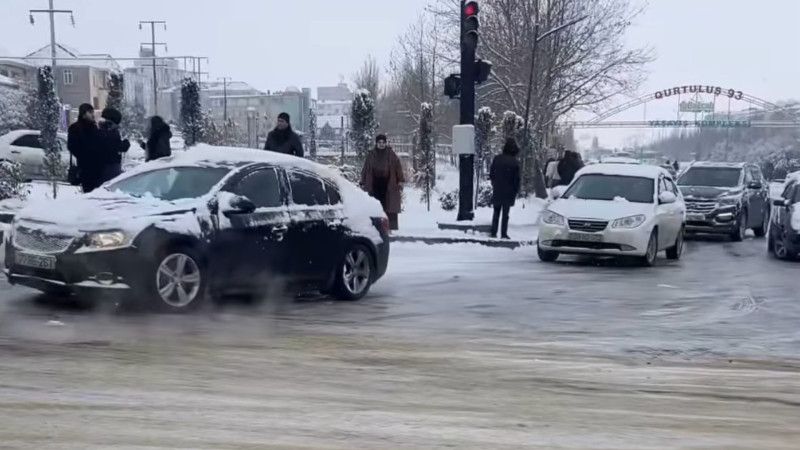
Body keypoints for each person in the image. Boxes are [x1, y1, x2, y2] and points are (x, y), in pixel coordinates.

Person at [361, 134, 405, 231]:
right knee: (375, 206)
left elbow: (398, 168)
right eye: (379, 142)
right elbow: (366, 168)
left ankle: (388, 228)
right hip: (374, 185)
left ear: (386, 143)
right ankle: (375, 227)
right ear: (376, 143)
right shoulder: (371, 155)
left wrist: (400, 180)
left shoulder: (391, 155)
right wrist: (363, 181)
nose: (381, 144)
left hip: (388, 185)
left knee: (388, 207)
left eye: (383, 142)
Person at [67, 103, 104, 193]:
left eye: (93, 112)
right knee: (89, 192)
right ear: (83, 114)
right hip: (85, 168)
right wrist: (86, 155)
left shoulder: (94, 127)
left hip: (98, 169)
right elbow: (72, 146)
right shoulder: (76, 128)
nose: (92, 115)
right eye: (90, 112)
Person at [489, 138, 521, 239]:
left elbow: (492, 173)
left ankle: (493, 232)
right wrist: (516, 190)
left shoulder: (497, 159)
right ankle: (504, 233)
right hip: (509, 191)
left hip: (498, 189)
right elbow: (517, 179)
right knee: (505, 214)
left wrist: (495, 183)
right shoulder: (514, 162)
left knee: (496, 211)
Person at [97, 107, 130, 183]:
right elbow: (116, 146)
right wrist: (126, 143)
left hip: (103, 166)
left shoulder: (100, 130)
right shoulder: (110, 132)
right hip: (110, 166)